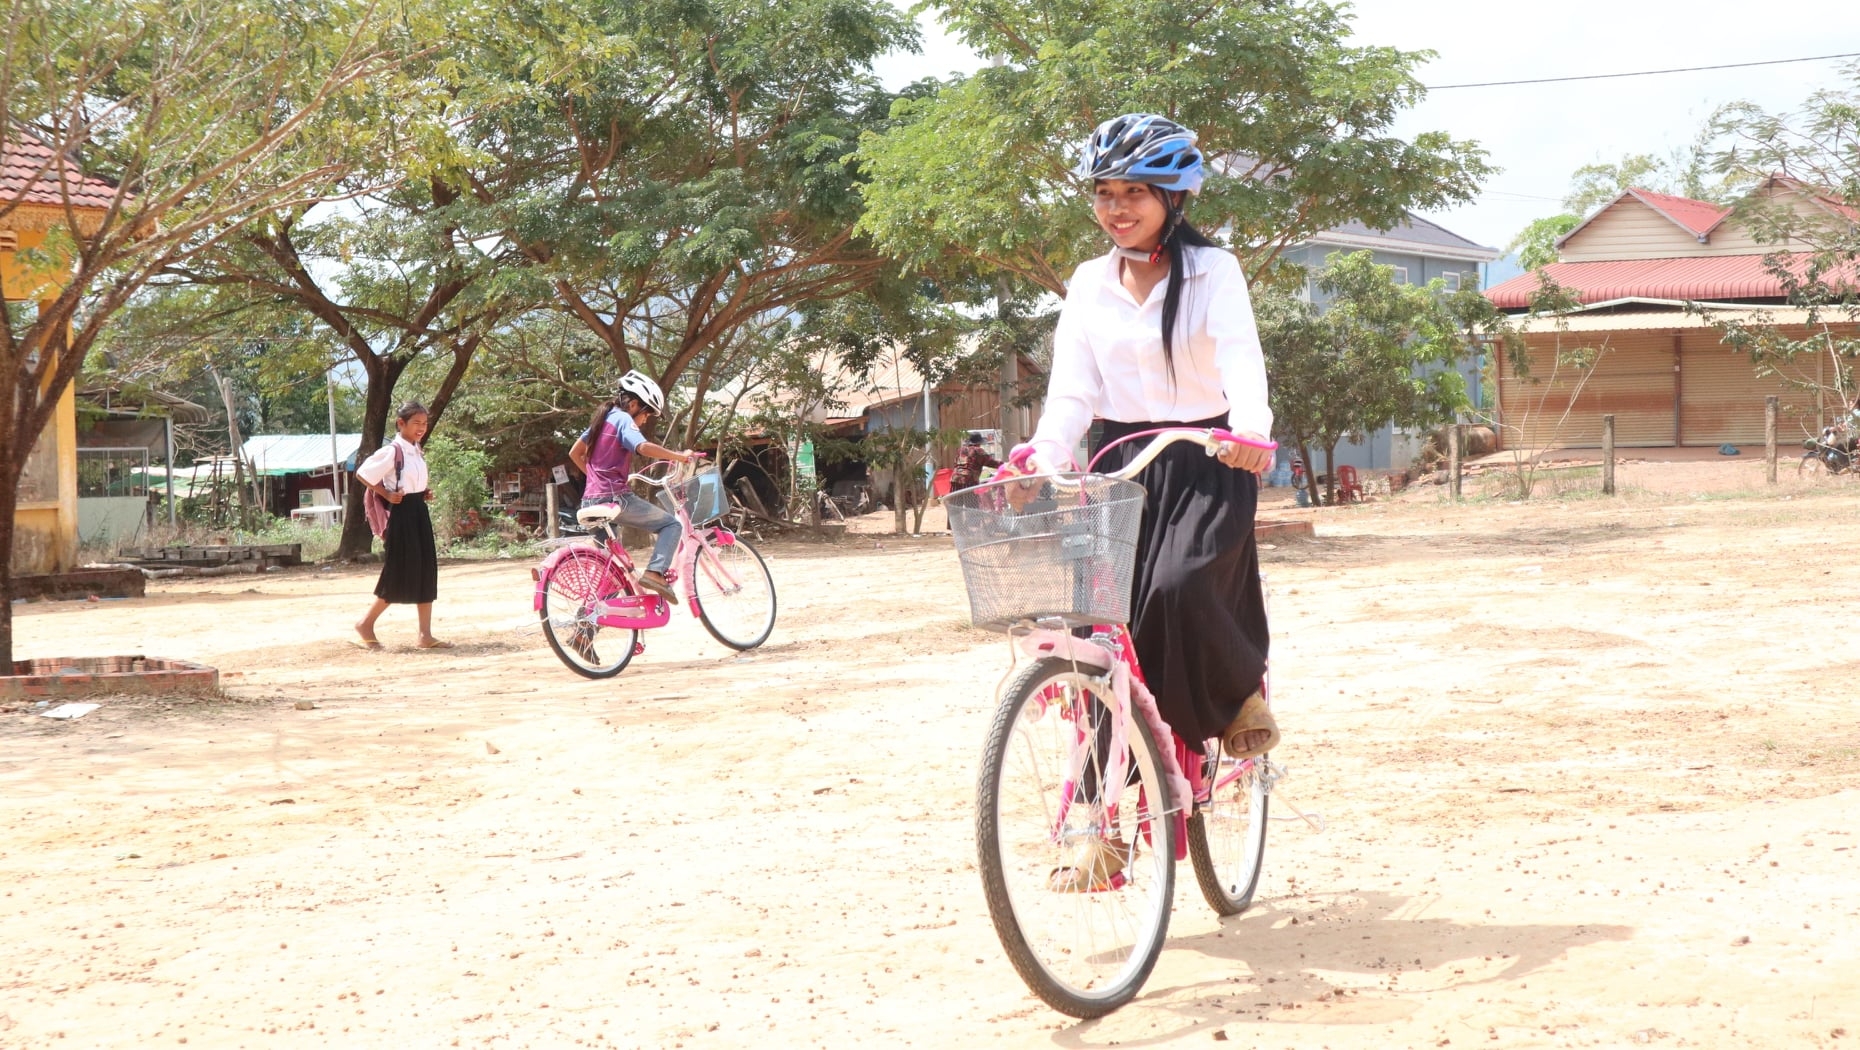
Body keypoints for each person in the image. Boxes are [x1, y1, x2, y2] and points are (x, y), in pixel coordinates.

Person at [1020, 113, 1279, 890]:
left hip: (1205, 455)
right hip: (1120, 462)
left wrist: (1250, 430)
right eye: (1104, 193)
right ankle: (1101, 830)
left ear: (1173, 196)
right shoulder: (1089, 283)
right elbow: (1073, 388)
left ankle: (1236, 699)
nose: (1116, 208)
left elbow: (1240, 357)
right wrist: (1045, 451)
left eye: (1134, 192)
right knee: (1100, 636)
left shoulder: (1214, 272)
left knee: (1177, 588)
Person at [568, 370, 696, 604]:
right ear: (634, 404)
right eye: (647, 414)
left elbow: (574, 453)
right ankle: (655, 573)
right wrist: (679, 456)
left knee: (612, 570)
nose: (645, 420)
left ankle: (585, 627)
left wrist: (595, 479)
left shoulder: (600, 421)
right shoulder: (623, 419)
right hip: (615, 499)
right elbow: (643, 447)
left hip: (589, 501)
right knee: (671, 524)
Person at [354, 402, 448, 649]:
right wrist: (384, 493)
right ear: (401, 423)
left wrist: (422, 492)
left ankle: (425, 635)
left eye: (424, 423)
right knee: (398, 571)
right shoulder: (392, 450)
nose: (421, 428)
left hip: (418, 511)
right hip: (401, 515)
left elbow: (410, 480)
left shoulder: (416, 450)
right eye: (416, 423)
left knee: (426, 569)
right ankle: (365, 623)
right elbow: (363, 474)